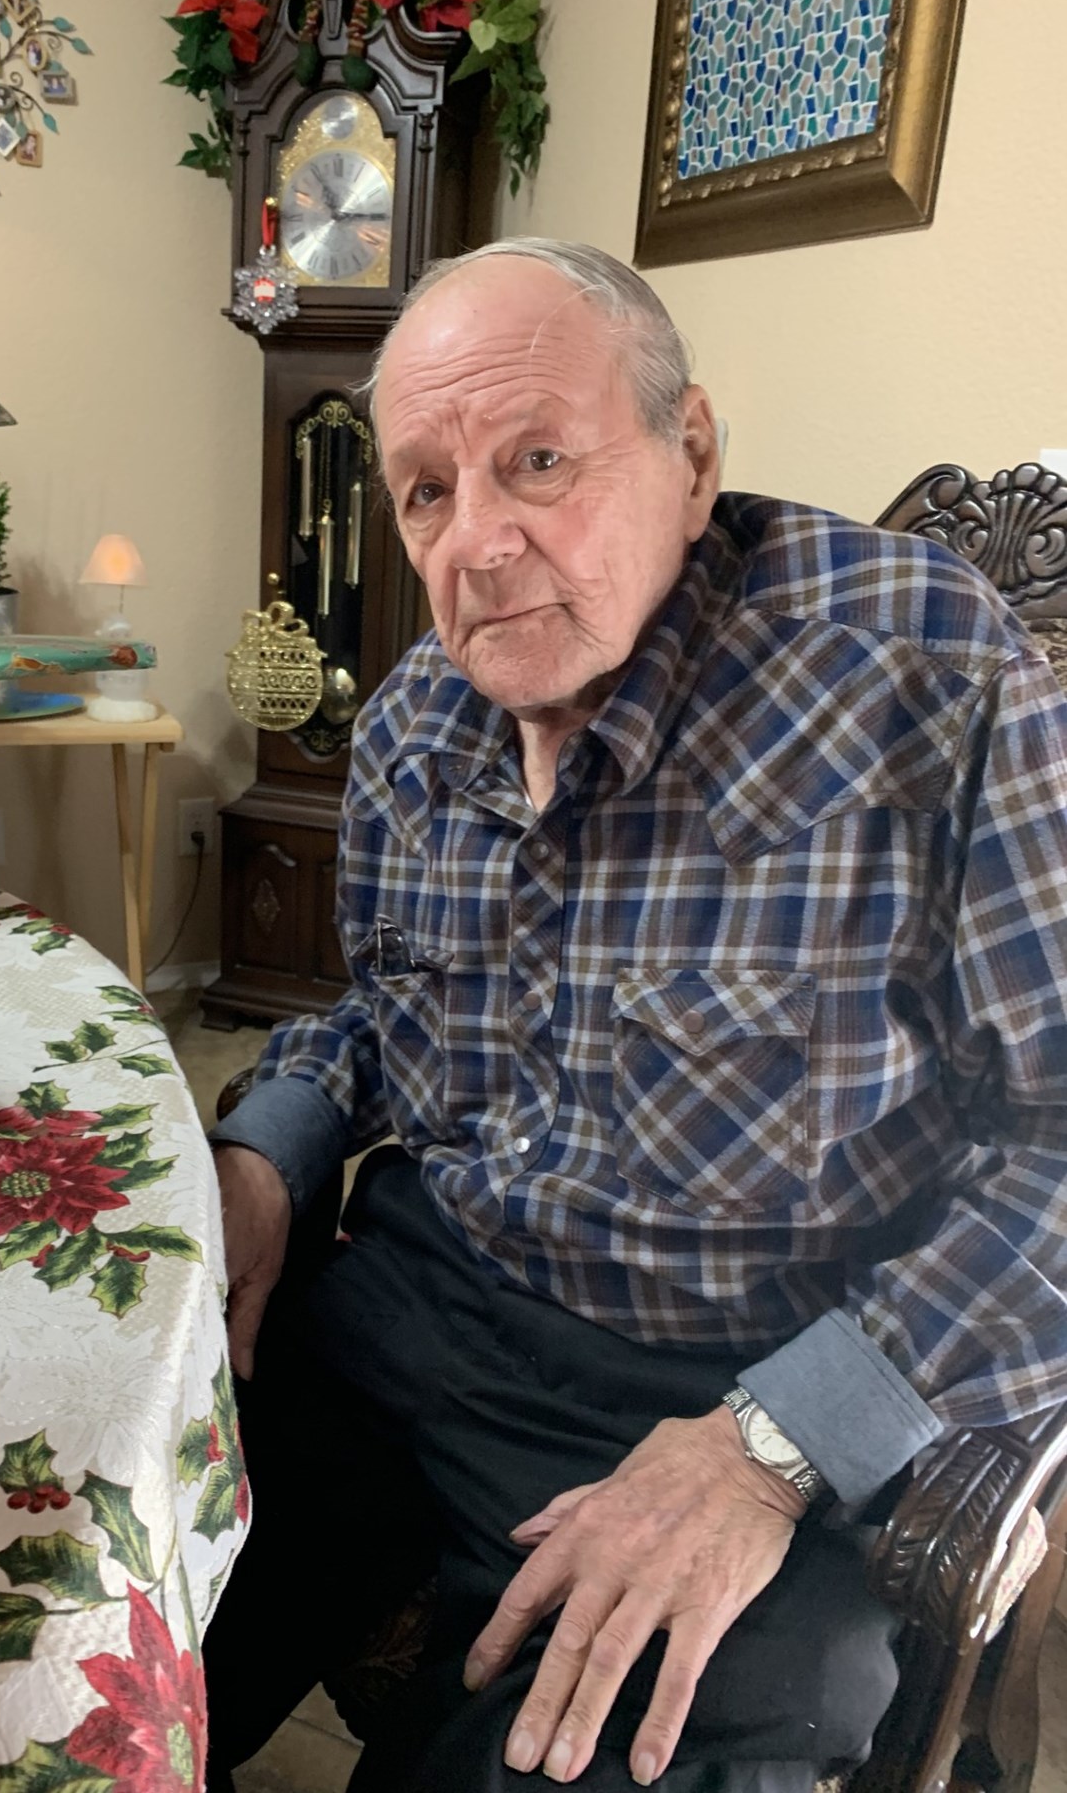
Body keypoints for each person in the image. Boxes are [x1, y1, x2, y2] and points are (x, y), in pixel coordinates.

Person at [204, 239, 1067, 1793]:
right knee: (86, 1574)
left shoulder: (924, 681)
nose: (478, 543)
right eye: (425, 490)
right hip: (427, 1298)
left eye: (538, 461)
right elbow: (387, 1010)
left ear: (691, 453)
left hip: (758, 1361)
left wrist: (771, 1446)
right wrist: (264, 1153)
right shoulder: (415, 722)